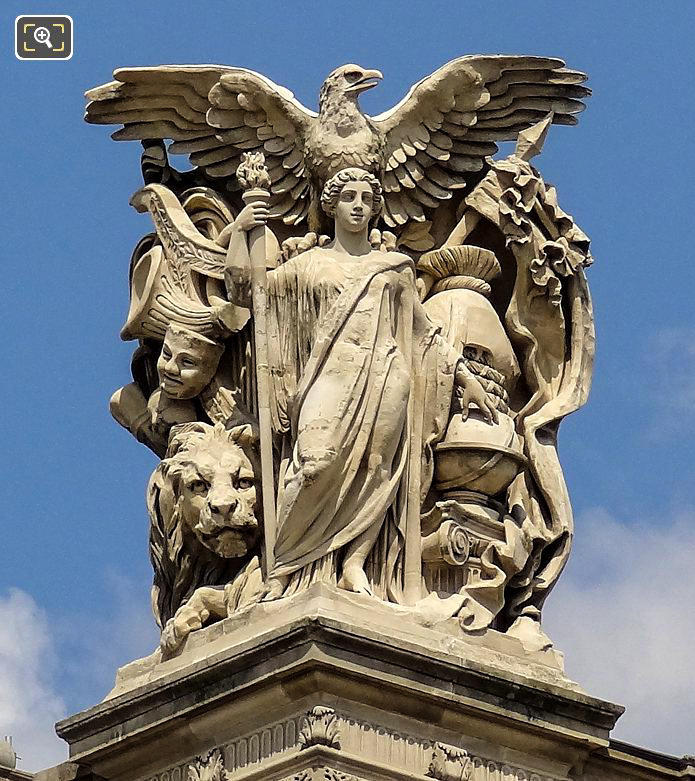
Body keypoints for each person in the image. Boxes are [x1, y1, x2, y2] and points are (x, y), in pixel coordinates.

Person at [225, 167, 497, 602]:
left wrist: (464, 376)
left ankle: (354, 561)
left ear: (375, 209)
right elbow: (247, 292)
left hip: (387, 375)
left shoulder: (392, 268)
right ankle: (285, 564)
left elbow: (421, 330)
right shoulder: (307, 266)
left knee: (378, 469)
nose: (357, 205)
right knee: (313, 463)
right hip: (330, 378)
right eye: (348, 196)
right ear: (330, 205)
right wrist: (242, 231)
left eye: (366, 198)